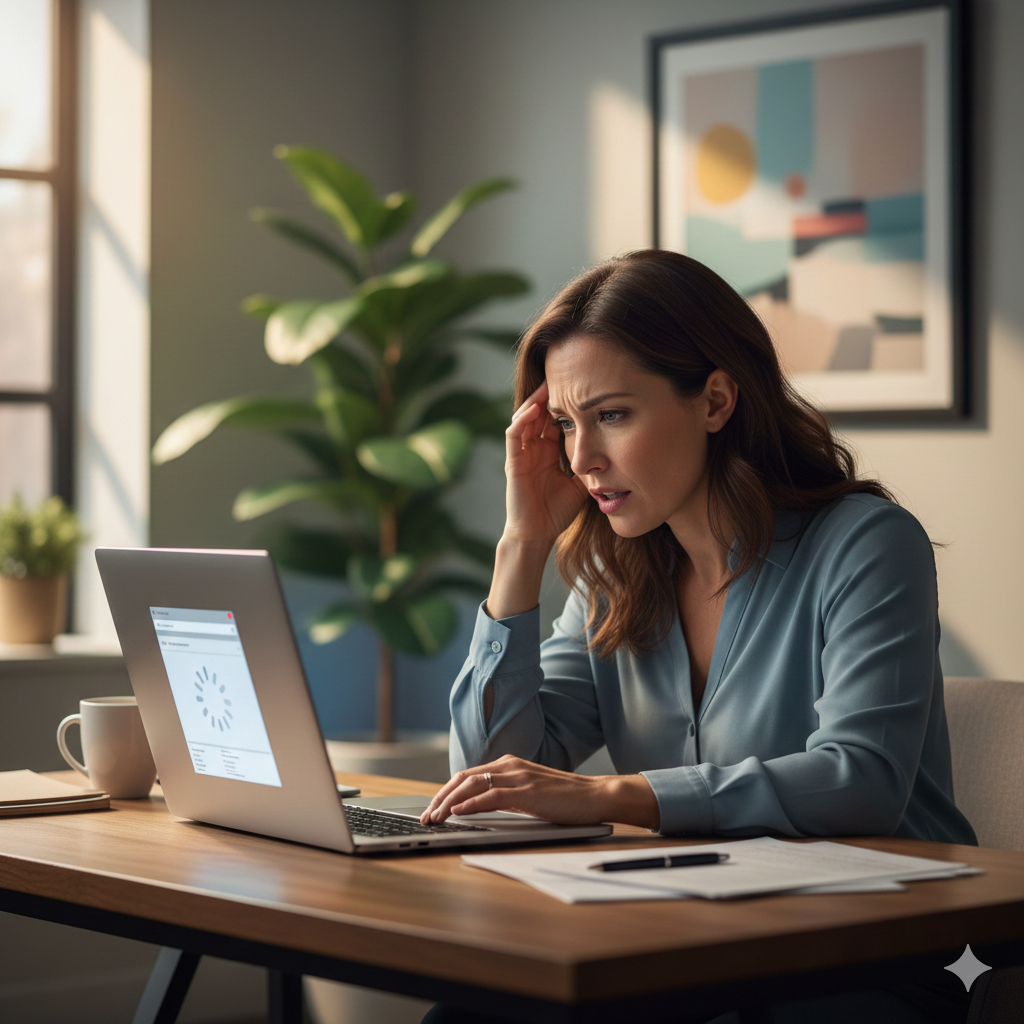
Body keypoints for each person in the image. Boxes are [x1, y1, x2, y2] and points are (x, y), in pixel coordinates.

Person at [419, 250, 976, 1024]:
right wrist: (522, 544)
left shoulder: (866, 543)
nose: (582, 459)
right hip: (680, 946)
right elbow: (494, 783)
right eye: (564, 424)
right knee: (474, 1014)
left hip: (852, 965)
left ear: (715, 401)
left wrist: (614, 794)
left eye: (612, 415)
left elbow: (861, 780)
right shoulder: (614, 570)